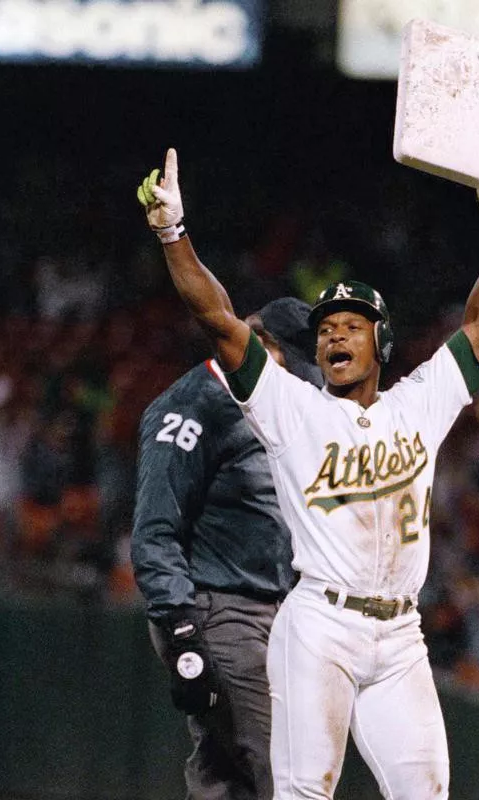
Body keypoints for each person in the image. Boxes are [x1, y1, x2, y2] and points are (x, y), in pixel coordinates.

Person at [136, 148, 479, 800]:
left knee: (426, 792)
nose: (339, 336)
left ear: (383, 345)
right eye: (329, 329)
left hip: (401, 634)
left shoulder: (417, 405)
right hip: (321, 623)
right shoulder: (289, 410)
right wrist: (174, 234)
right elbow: (219, 322)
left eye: (355, 326)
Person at [131, 295, 323, 800]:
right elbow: (155, 530)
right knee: (287, 773)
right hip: (219, 612)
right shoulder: (193, 405)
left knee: (225, 782)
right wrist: (181, 629)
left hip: (270, 611)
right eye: (293, 365)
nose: (300, 382)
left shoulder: (268, 405)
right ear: (257, 342)